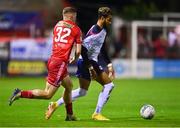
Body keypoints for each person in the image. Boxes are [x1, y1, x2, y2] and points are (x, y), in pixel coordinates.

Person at [8, 7, 82, 121]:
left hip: (52, 60)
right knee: (48, 94)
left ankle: (70, 115)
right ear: (71, 16)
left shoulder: (57, 25)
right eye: (75, 17)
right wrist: (75, 58)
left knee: (69, 86)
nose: (75, 19)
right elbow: (78, 51)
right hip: (59, 63)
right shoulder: (76, 30)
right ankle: (20, 93)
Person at [46, 7, 115, 121]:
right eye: (109, 19)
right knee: (109, 85)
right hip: (87, 61)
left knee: (82, 92)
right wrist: (91, 67)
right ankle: (97, 113)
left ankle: (55, 104)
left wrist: (109, 64)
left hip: (87, 61)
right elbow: (82, 48)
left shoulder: (103, 30)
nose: (110, 21)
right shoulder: (95, 31)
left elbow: (101, 48)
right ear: (102, 18)